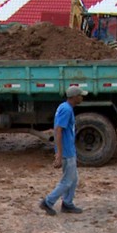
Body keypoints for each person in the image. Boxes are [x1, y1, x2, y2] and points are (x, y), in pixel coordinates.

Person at [39, 86, 87, 216]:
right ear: (74, 97)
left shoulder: (65, 107)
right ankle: (48, 202)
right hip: (66, 151)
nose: (82, 97)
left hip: (68, 150)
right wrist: (59, 154)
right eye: (80, 95)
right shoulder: (66, 110)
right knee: (67, 180)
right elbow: (58, 130)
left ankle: (67, 203)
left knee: (73, 179)